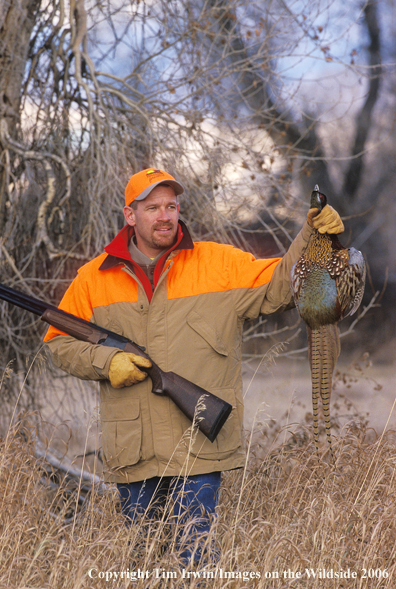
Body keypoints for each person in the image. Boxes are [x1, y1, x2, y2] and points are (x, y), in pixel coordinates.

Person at [44, 167, 344, 564]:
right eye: (152, 207)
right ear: (130, 216)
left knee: (195, 553)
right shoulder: (93, 278)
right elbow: (58, 343)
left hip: (198, 443)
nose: (165, 215)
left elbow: (282, 284)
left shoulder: (218, 264)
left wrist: (312, 236)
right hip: (134, 451)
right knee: (145, 558)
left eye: (171, 205)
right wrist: (107, 360)